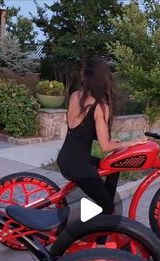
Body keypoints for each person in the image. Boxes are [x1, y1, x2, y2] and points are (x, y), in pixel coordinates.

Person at [57, 57, 147, 214]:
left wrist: (112, 141)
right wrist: (133, 142)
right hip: (78, 165)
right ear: (104, 79)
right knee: (108, 207)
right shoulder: (99, 106)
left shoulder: (75, 96)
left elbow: (82, 132)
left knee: (114, 167)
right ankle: (99, 220)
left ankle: (104, 202)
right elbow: (105, 147)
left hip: (66, 158)